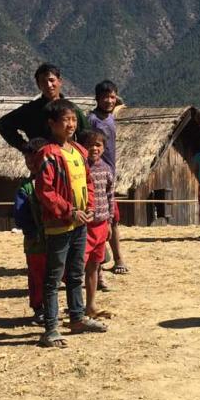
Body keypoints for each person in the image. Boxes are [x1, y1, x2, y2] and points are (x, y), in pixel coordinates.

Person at [35, 99, 106, 348]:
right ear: (52, 124)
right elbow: (45, 191)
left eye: (74, 119)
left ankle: (77, 318)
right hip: (59, 225)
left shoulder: (79, 151)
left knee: (76, 273)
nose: (71, 124)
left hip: (80, 223)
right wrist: (69, 211)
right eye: (66, 120)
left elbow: (88, 182)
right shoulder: (48, 154)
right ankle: (51, 328)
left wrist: (87, 209)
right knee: (54, 277)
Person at [0, 63, 89, 154]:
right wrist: (23, 146)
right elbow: (3, 124)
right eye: (44, 82)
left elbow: (86, 135)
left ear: (60, 81)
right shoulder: (30, 110)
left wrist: (79, 154)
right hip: (41, 161)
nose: (49, 85)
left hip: (68, 159)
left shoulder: (72, 109)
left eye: (52, 80)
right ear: (38, 84)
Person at [89, 80, 128, 276]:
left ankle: (116, 257)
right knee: (100, 217)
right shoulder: (93, 120)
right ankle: (103, 258)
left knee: (113, 218)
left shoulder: (110, 118)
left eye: (112, 97)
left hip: (109, 173)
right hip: (96, 175)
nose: (109, 101)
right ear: (96, 98)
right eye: (105, 97)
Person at [13, 138, 49, 326]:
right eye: (28, 161)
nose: (32, 164)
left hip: (57, 238)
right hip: (35, 242)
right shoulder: (25, 188)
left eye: (35, 160)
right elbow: (20, 216)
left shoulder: (57, 182)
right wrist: (31, 230)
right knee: (37, 276)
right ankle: (39, 308)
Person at [82, 130, 115, 321]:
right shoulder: (81, 168)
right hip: (85, 225)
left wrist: (109, 221)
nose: (94, 148)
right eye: (90, 144)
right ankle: (77, 306)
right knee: (78, 266)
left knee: (94, 266)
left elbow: (110, 196)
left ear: (103, 148)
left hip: (102, 224)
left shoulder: (106, 169)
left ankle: (90, 305)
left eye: (98, 145)